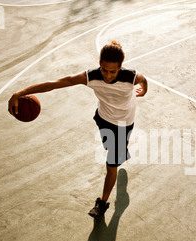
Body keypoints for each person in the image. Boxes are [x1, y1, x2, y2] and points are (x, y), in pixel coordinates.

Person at [8, 41, 148, 219]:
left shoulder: (131, 77)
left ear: (120, 67)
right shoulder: (91, 77)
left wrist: (144, 89)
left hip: (123, 124)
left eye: (113, 71)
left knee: (111, 164)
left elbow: (143, 79)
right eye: (104, 70)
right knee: (113, 154)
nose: (108, 75)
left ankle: (102, 204)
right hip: (103, 119)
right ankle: (120, 153)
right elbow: (56, 83)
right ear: (99, 64)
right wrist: (18, 93)